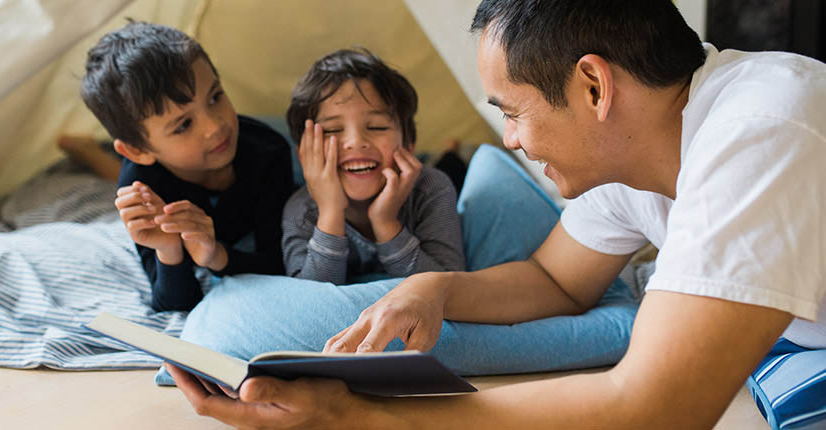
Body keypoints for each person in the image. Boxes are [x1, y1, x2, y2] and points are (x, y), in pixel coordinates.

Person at [164, 0, 826, 428]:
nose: (508, 140)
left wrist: (360, 416)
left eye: (512, 112)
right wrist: (436, 288)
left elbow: (656, 406)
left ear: (594, 87)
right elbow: (557, 281)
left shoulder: (761, 131)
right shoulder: (640, 147)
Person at [81, 21, 294, 312]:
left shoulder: (268, 152)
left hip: (252, 148)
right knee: (115, 182)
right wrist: (168, 249)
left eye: (215, 97)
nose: (215, 126)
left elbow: (281, 265)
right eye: (183, 124)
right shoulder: (143, 189)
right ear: (138, 151)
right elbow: (173, 303)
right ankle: (87, 152)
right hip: (157, 171)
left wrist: (216, 255)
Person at [281, 48, 465, 284]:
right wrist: (330, 212)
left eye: (377, 127)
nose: (356, 141)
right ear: (304, 155)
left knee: (452, 167)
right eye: (332, 130)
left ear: (409, 144)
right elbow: (310, 295)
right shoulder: (301, 210)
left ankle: (452, 151)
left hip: (431, 175)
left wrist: (385, 222)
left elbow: (448, 286)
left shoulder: (431, 188)